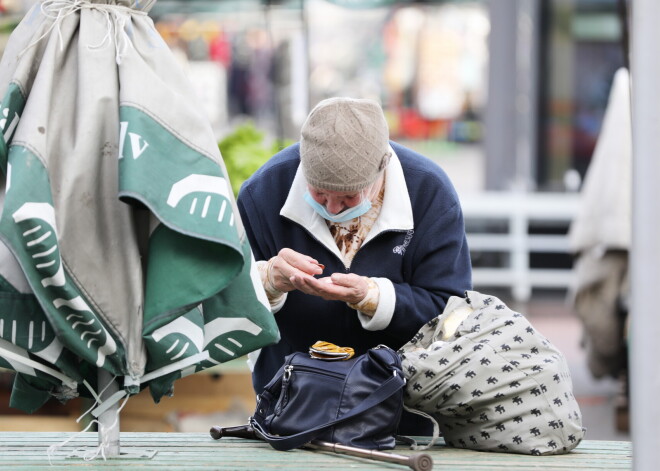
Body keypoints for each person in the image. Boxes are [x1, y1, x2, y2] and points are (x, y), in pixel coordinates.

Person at [237, 97, 472, 434]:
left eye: (348, 198)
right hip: (292, 407)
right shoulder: (264, 192)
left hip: (405, 406)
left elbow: (453, 311)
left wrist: (374, 296)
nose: (333, 207)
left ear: (384, 167)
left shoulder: (430, 193)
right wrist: (268, 279)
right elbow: (226, 296)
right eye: (319, 194)